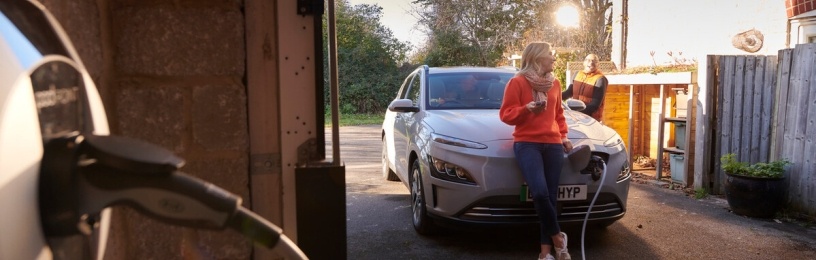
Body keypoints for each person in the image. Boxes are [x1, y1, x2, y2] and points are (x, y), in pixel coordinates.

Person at [499, 42, 573, 260]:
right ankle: (559, 238)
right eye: (550, 54)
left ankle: (545, 254)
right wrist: (526, 109)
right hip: (527, 143)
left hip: (553, 145)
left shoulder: (555, 83)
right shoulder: (518, 82)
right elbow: (506, 114)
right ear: (538, 57)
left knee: (550, 197)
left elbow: (559, 114)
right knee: (539, 193)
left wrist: (564, 136)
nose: (553, 58)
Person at [562, 54, 608, 122]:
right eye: (588, 60)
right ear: (584, 63)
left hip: (591, 120)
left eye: (594, 61)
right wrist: (554, 97)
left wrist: (578, 113)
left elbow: (595, 104)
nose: (591, 63)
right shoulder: (577, 74)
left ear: (598, 65)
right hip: (575, 117)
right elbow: (569, 92)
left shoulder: (600, 79)